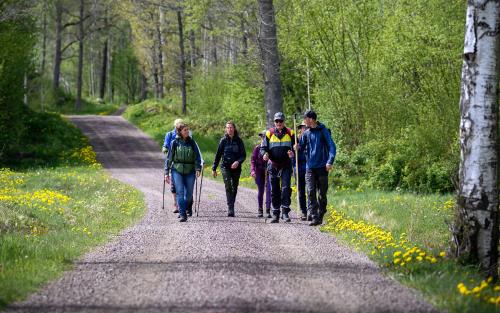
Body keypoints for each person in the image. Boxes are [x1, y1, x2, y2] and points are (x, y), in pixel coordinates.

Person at [299, 110, 336, 226]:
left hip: (322, 167)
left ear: (311, 119)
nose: (304, 121)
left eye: (305, 119)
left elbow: (332, 147)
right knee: (310, 191)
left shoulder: (323, 131)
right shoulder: (306, 133)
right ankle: (314, 216)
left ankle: (320, 214)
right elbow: (300, 147)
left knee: (322, 194)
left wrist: (330, 161)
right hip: (310, 167)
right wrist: (296, 148)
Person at [260, 112, 295, 223]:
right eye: (277, 121)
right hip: (273, 164)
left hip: (286, 165)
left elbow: (296, 147)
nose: (279, 123)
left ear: (284, 122)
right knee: (274, 190)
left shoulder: (291, 132)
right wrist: (264, 154)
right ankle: (275, 214)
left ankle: (285, 212)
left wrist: (293, 152)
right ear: (274, 122)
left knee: (285, 189)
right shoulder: (269, 133)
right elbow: (263, 148)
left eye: (281, 121)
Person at [164, 122, 202, 222]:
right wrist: (166, 172)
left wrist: (198, 168)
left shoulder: (192, 142)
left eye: (187, 130)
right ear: (180, 132)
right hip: (177, 170)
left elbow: (197, 157)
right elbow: (169, 158)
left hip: (190, 170)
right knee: (180, 192)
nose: (187, 132)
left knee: (189, 195)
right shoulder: (174, 143)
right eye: (185, 130)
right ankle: (182, 214)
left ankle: (186, 207)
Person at [212, 121, 246, 217]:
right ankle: (230, 208)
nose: (229, 129)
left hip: (236, 167)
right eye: (227, 128)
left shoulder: (239, 141)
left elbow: (243, 155)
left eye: (231, 127)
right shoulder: (223, 141)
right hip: (225, 166)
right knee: (228, 185)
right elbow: (218, 155)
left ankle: (232, 204)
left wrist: (238, 162)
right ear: (226, 129)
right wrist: (214, 168)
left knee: (234, 187)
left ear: (234, 129)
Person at [162, 119, 184, 214]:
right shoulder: (170, 134)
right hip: (172, 162)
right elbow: (165, 145)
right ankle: (176, 204)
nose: (179, 127)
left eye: (181, 125)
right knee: (174, 185)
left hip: (183, 163)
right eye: (178, 125)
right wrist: (165, 148)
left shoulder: (186, 133)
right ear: (175, 126)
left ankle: (182, 204)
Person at [251, 131, 271, 218]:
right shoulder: (257, 148)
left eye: (265, 137)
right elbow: (253, 160)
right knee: (261, 190)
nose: (263, 139)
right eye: (262, 137)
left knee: (269, 190)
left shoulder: (271, 149)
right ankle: (260, 209)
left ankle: (268, 209)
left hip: (269, 171)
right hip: (259, 171)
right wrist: (252, 171)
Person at [293, 121, 308, 221]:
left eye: (306, 127)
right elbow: (292, 157)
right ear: (300, 129)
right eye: (303, 127)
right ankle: (303, 211)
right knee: (301, 190)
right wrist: (295, 151)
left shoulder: (310, 139)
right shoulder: (296, 141)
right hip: (298, 168)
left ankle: (311, 210)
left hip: (309, 168)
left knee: (311, 190)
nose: (305, 129)